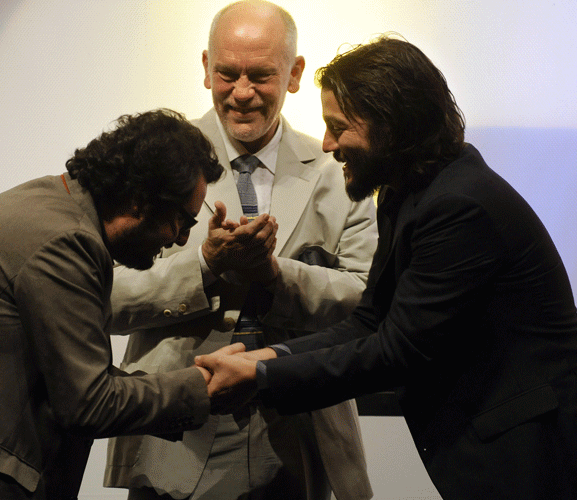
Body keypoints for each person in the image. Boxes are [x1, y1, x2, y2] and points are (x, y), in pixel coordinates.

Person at [197, 35, 577, 500]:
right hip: (496, 443)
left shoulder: (459, 205)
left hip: (536, 455)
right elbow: (370, 319)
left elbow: (397, 350)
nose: (328, 144)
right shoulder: (408, 192)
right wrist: (269, 358)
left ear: (391, 126)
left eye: (339, 127)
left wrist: (260, 378)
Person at [0, 109, 224, 500]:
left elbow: (69, 378)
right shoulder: (67, 241)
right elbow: (88, 403)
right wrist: (204, 387)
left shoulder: (51, 203)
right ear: (139, 198)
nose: (182, 239)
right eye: (183, 220)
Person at [103, 2, 377, 499]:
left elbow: (370, 301)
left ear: (294, 75)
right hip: (174, 432)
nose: (243, 93)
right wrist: (204, 266)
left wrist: (276, 276)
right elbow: (103, 298)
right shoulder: (151, 160)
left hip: (299, 431)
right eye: (228, 74)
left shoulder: (339, 170)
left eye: (261, 76)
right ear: (206, 68)